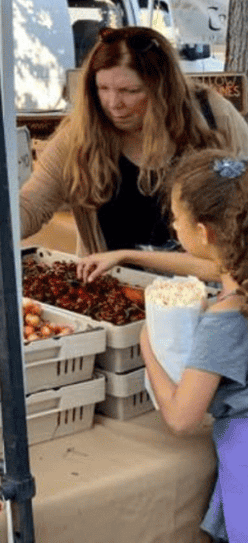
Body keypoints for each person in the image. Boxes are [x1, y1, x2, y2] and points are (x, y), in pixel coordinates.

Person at [0, 26, 248, 282]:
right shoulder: (79, 137)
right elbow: (32, 205)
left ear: (162, 88)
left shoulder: (212, 116)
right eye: (103, 88)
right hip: (118, 290)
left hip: (209, 290)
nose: (114, 103)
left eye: (129, 90)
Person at [142, 149, 248, 542]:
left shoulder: (224, 320)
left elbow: (183, 419)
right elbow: (211, 268)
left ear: (204, 233)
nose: (171, 223)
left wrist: (149, 348)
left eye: (175, 217)